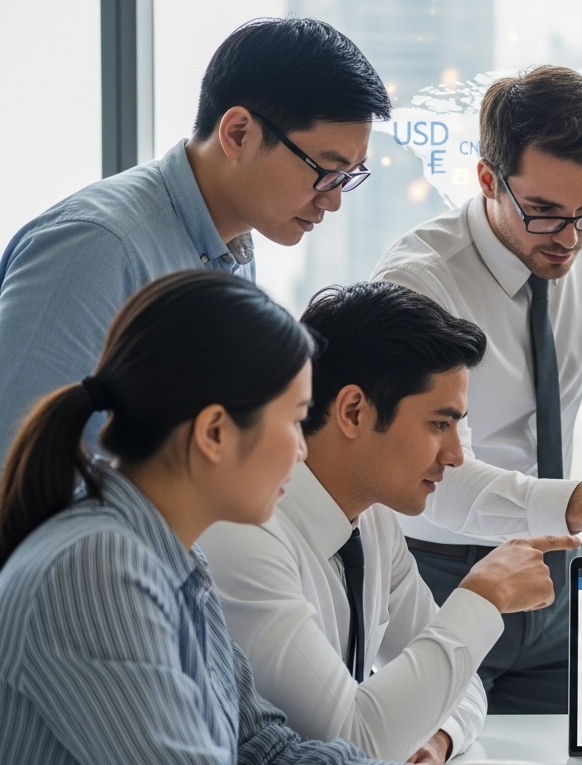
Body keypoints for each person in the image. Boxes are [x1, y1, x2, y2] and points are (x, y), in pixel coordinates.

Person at [372, 65, 582, 714]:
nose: (570, 238)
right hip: (442, 581)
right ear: (488, 179)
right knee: (445, 753)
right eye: (545, 212)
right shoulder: (417, 284)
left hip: (559, 578)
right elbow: (432, 481)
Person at [0, 270, 403, 765]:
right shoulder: (97, 568)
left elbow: (263, 748)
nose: (301, 451)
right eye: (297, 420)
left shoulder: (173, 555)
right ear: (214, 431)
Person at [198, 282, 578, 764]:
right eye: (440, 424)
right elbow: (352, 740)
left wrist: (434, 740)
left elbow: (463, 688)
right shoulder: (244, 536)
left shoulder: (374, 520)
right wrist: (483, 598)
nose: (456, 456)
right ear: (353, 411)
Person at [0, 18, 390, 466]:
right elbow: (15, 469)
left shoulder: (234, 248)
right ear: (238, 133)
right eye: (325, 170)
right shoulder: (97, 248)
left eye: (349, 176)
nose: (335, 200)